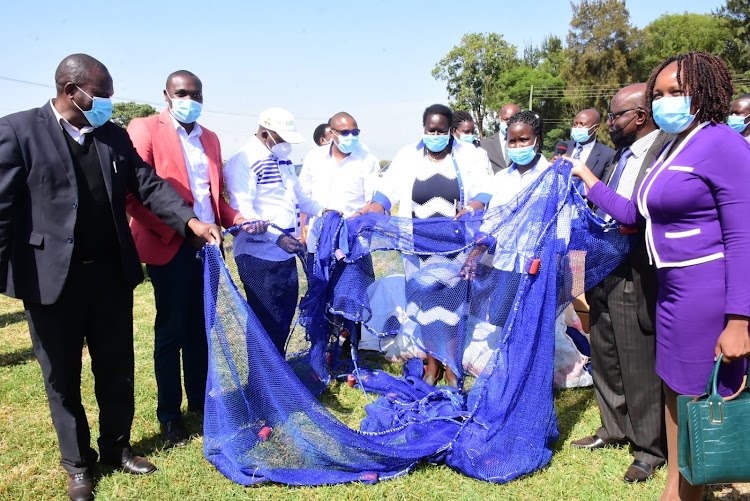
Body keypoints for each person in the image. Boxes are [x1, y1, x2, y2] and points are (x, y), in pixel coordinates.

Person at [0, 54, 221, 501]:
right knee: (62, 377)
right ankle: (78, 465)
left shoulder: (113, 136)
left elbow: (149, 185)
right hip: (50, 280)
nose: (108, 103)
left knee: (116, 369)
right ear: (70, 91)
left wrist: (191, 222)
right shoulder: (17, 131)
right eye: (101, 95)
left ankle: (117, 447)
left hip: (110, 276)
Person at [568, 51, 750, 501]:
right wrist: (588, 177)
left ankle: (690, 491)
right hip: (669, 293)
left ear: (705, 94)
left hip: (705, 294)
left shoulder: (723, 144)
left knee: (698, 398)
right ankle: (676, 485)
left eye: (677, 92)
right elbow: (634, 214)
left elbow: (744, 237)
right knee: (674, 392)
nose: (667, 102)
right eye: (660, 94)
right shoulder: (672, 147)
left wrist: (740, 320)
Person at [126, 71, 247, 448]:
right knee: (171, 332)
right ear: (166, 94)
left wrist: (235, 219)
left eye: (195, 94)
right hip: (169, 244)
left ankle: (199, 401)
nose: (189, 99)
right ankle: (170, 416)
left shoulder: (209, 138)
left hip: (207, 248)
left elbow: (214, 197)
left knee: (201, 328)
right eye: (182, 93)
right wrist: (182, 230)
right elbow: (134, 195)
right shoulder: (145, 129)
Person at [570, 83, 671, 484]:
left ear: (640, 117)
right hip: (603, 265)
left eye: (615, 116)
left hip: (635, 266)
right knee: (605, 349)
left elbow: (632, 214)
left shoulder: (662, 153)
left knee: (636, 357)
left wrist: (588, 179)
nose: (609, 123)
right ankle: (613, 427)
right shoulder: (620, 156)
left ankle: (649, 447)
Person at [369, 104, 492, 386]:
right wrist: (374, 212)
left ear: (451, 130)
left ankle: (451, 368)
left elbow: (486, 190)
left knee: (450, 309)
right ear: (423, 129)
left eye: (441, 130)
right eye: (430, 130)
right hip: (417, 247)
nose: (435, 135)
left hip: (453, 247)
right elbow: (385, 191)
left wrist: (472, 208)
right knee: (425, 307)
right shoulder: (406, 156)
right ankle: (432, 367)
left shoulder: (469, 155)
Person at [224, 108, 325, 355]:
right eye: (281, 137)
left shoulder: (284, 161)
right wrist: (276, 236)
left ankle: (278, 376)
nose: (286, 143)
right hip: (259, 256)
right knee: (266, 320)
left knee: (283, 317)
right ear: (265, 132)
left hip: (285, 253)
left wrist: (325, 211)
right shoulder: (244, 160)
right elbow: (243, 211)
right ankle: (263, 384)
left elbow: (299, 198)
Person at [299, 112, 379, 254]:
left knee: (353, 277)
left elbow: (373, 200)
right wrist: (302, 233)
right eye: (344, 133)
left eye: (355, 132)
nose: (351, 137)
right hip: (317, 240)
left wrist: (358, 215)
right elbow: (303, 196)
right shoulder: (314, 157)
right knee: (317, 276)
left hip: (353, 242)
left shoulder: (367, 160)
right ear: (332, 132)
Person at [563, 109, 615, 179]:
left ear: (595, 128)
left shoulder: (608, 155)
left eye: (582, 124)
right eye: (575, 124)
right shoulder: (563, 146)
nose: (577, 127)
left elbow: (604, 186)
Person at [481, 103, 520, 174]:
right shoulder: (484, 145)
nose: (508, 123)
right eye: (505, 119)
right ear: (500, 118)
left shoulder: (525, 145)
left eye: (513, 120)